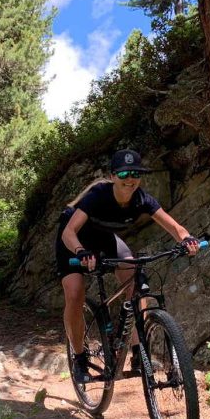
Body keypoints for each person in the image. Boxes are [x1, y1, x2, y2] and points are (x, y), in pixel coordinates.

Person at [56, 149, 199, 384]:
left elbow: (175, 227)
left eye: (136, 173)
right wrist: (81, 252)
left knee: (137, 281)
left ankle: (137, 352)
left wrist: (186, 239)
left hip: (103, 240)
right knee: (74, 293)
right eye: (124, 173)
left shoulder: (141, 199)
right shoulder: (97, 196)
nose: (130, 179)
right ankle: (80, 357)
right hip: (72, 241)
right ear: (113, 176)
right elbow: (69, 232)